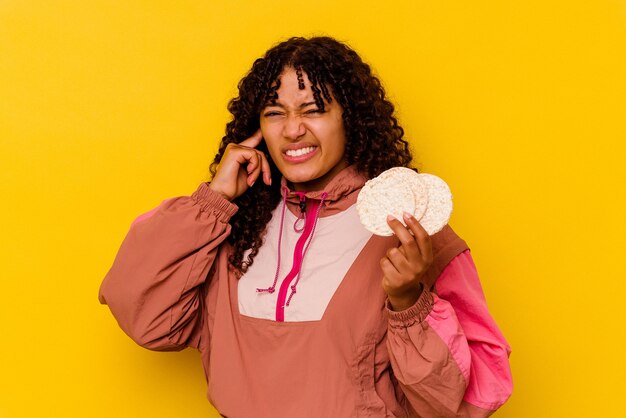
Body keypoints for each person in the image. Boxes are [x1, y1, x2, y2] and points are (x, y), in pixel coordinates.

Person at [98, 36, 513, 417]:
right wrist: (215, 200)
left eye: (313, 110)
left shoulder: (412, 228)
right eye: (275, 113)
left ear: (349, 118)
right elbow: (145, 317)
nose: (293, 129)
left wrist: (408, 303)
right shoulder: (235, 225)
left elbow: (466, 399)